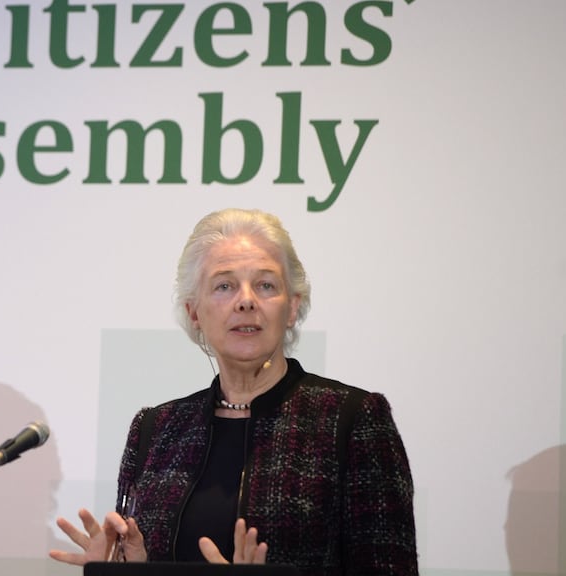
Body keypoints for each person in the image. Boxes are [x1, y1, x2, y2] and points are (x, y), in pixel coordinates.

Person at [50, 208, 418, 575]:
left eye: (265, 285)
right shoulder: (155, 430)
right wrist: (129, 569)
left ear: (292, 307)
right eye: (224, 285)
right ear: (194, 312)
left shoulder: (352, 420)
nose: (245, 301)